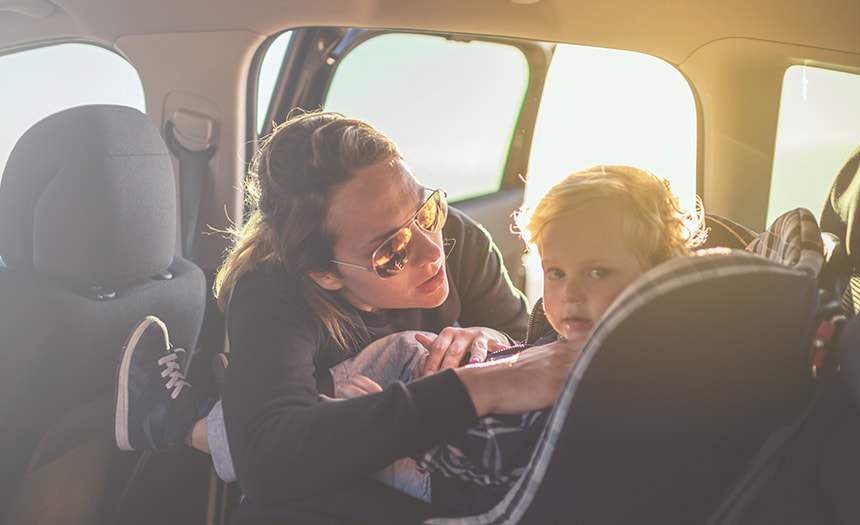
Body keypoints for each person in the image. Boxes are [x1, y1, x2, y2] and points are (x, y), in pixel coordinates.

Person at [114, 110, 581, 521]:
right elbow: (267, 461)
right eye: (391, 251)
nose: (431, 250)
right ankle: (179, 421)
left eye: (426, 209)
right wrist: (479, 386)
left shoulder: (459, 237)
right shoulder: (273, 293)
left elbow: (533, 350)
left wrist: (490, 337)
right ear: (325, 275)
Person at [395, 164, 704, 514]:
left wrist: (416, 430)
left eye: (597, 272)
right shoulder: (567, 337)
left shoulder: (614, 372)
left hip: (466, 484)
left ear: (656, 273)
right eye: (556, 273)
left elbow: (507, 452)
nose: (570, 293)